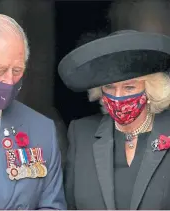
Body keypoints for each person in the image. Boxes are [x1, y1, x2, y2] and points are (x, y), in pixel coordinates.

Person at [58, 27, 170, 209]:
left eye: (129, 87)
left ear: (151, 89)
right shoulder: (81, 134)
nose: (118, 96)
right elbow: (69, 205)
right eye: (110, 87)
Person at [0, 13, 66, 210]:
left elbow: (52, 206)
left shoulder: (41, 130)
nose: (9, 82)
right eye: (0, 71)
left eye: (17, 71)